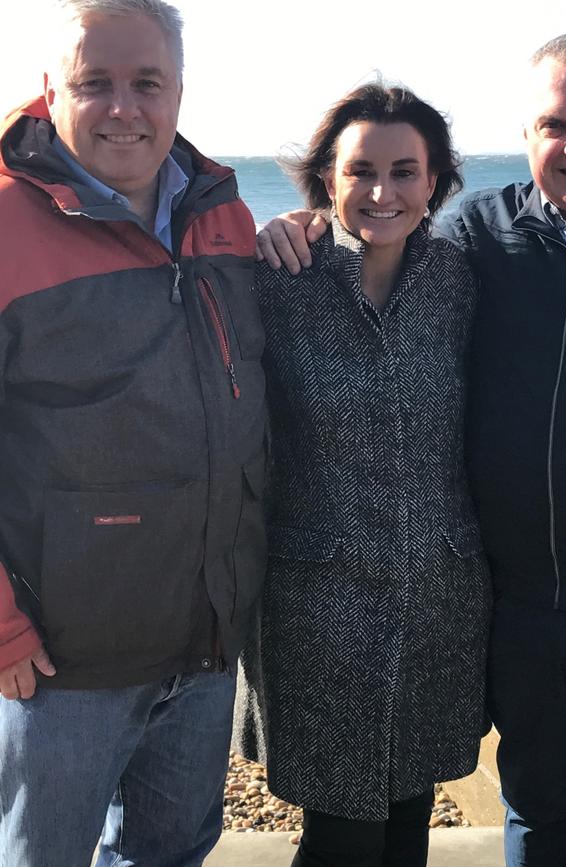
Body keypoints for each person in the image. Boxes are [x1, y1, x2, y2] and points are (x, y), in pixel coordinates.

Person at [257, 31, 566, 867]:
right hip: (410, 610)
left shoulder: (464, 261)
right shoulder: (308, 274)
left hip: (533, 604)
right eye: (554, 125)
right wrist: (287, 226)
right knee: (403, 835)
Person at [0, 1, 267, 865]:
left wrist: (310, 233)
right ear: (50, 89)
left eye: (146, 82)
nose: (124, 107)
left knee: (172, 851)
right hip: (58, 666)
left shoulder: (223, 213)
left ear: (180, 91)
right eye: (94, 83)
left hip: (202, 646)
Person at [234, 82, 491, 867]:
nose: (382, 192)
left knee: (410, 818)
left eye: (405, 171)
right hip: (319, 609)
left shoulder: (460, 281)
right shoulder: (278, 278)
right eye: (361, 171)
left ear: (437, 180)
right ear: (327, 179)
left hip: (439, 600)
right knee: (340, 837)